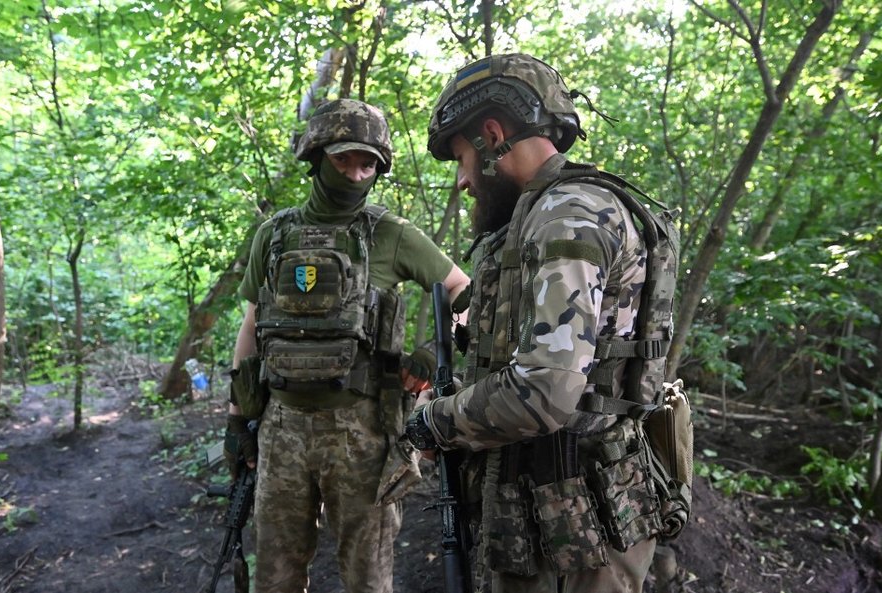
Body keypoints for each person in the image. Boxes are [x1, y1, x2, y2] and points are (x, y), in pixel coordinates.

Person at [404, 53, 662, 593]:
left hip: (576, 534)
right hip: (544, 518)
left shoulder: (568, 216)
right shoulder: (538, 217)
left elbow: (544, 391)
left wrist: (433, 422)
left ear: (493, 134)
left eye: (460, 158)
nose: (462, 182)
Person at [225, 97, 469, 593]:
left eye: (368, 164)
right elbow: (252, 325)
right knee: (274, 577)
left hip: (362, 432)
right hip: (281, 428)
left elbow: (464, 291)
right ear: (317, 156)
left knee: (366, 578)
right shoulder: (274, 235)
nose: (356, 174)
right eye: (343, 159)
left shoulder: (391, 233)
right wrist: (236, 416)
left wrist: (435, 347)